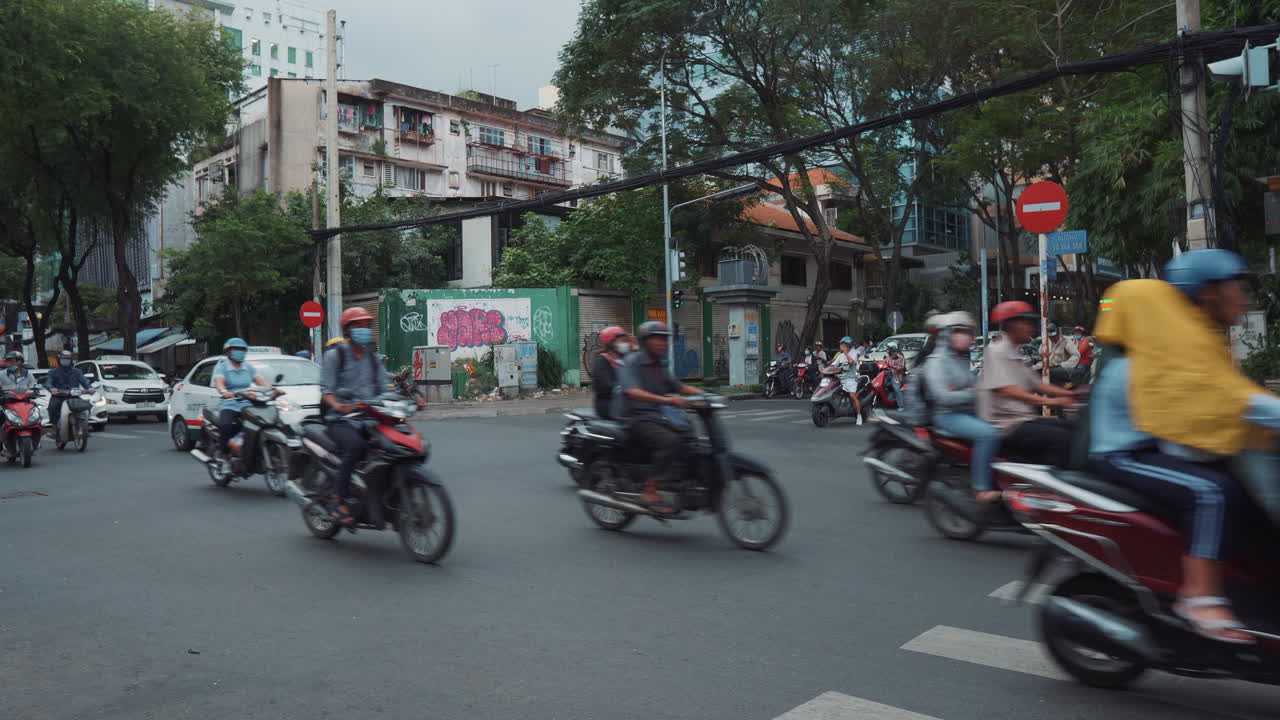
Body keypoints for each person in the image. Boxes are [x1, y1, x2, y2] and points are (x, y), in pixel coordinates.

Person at [1089, 250, 1280, 644]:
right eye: (1237, 288)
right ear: (1208, 293)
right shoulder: (1165, 353)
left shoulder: (1199, 340)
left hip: (1160, 447)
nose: (1244, 297)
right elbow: (1228, 401)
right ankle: (1199, 597)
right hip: (1126, 454)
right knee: (1211, 492)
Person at [976, 301, 1078, 467]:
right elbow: (1008, 390)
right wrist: (1051, 401)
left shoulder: (1015, 352)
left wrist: (1070, 394)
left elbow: (1036, 384)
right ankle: (1050, 486)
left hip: (1023, 419)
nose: (1031, 328)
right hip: (1007, 426)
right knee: (1063, 439)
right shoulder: (996, 351)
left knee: (1072, 427)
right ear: (1011, 325)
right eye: (1026, 323)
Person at [618, 321, 702, 508]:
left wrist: (705, 395)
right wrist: (668, 401)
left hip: (656, 416)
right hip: (635, 417)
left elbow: (678, 387)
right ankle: (650, 489)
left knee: (690, 435)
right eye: (657, 339)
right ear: (645, 341)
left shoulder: (660, 365)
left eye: (665, 339)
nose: (662, 343)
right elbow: (632, 391)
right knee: (670, 441)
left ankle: (679, 480)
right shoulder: (632, 362)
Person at [921, 313, 1002, 502]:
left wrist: (966, 390)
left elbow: (973, 385)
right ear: (948, 333)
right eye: (960, 332)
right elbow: (942, 396)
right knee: (988, 434)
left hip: (966, 411)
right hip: (947, 416)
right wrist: (970, 392)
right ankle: (981, 488)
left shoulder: (961, 359)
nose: (966, 337)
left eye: (967, 332)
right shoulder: (935, 362)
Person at [320, 307, 391, 525]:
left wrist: (410, 397)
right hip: (341, 420)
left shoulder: (372, 359)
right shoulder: (335, 356)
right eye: (358, 325)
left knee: (394, 448)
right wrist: (339, 407)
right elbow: (326, 392)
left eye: (367, 325)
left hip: (370, 418)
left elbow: (385, 389)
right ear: (348, 330)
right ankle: (336, 498)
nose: (364, 329)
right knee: (355, 447)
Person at [212, 338, 276, 464]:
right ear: (228, 352)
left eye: (242, 350)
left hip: (247, 403)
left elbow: (261, 381)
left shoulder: (248, 367)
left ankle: (246, 448)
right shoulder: (222, 367)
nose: (240, 352)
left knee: (260, 423)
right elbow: (219, 383)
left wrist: (274, 390)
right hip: (230, 403)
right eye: (236, 349)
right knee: (226, 426)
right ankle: (225, 457)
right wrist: (224, 392)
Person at [43, 350, 92, 428]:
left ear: (71, 360)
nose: (66, 360)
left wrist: (90, 388)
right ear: (60, 359)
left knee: (86, 406)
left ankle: (85, 426)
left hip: (74, 397)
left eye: (68, 358)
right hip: (58, 397)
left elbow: (84, 381)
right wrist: (51, 388)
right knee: (52, 407)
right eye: (64, 358)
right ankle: (55, 427)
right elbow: (48, 382)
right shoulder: (53, 372)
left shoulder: (77, 371)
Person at [822, 336, 864, 426]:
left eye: (841, 344)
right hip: (840, 379)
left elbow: (851, 362)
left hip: (850, 379)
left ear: (846, 345)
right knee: (831, 392)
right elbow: (833, 365)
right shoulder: (840, 356)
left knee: (852, 395)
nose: (840, 346)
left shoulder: (853, 352)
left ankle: (859, 415)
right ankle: (834, 412)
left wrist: (846, 353)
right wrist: (824, 370)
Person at [590, 325, 630, 418]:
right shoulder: (601, 361)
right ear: (611, 343)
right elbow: (606, 386)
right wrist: (628, 390)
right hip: (608, 405)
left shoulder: (624, 359)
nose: (625, 344)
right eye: (622, 341)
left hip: (624, 402)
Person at [884, 341, 907, 409]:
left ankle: (901, 405)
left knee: (897, 389)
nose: (888, 349)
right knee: (883, 385)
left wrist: (892, 366)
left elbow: (902, 367)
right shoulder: (888, 356)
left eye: (889, 348)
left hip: (896, 375)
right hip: (888, 374)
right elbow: (885, 363)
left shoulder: (899, 356)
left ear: (893, 349)